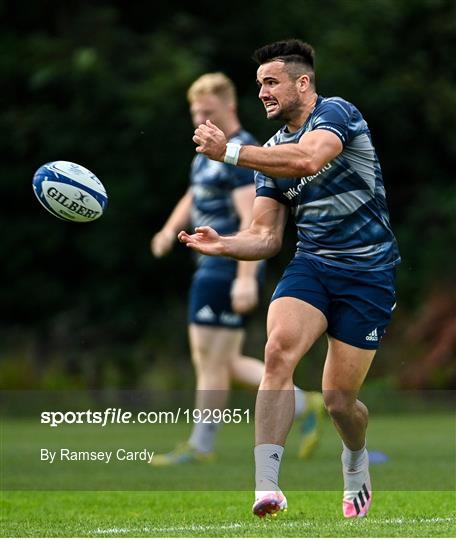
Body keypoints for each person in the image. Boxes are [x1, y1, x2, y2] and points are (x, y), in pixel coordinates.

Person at [178, 41, 400, 518]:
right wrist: (224, 243)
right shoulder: (270, 151)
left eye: (271, 81)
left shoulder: (337, 114)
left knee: (341, 402)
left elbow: (307, 161)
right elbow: (265, 236)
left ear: (303, 83)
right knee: (277, 351)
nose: (262, 92)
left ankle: (355, 459)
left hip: (369, 273)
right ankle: (266, 487)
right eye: (259, 84)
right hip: (313, 265)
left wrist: (231, 152)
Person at [151, 72, 324, 466]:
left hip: (226, 265)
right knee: (220, 361)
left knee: (210, 360)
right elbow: (195, 191)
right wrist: (167, 229)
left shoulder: (240, 152)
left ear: (229, 107)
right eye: (195, 112)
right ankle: (303, 403)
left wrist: (246, 280)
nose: (200, 118)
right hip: (209, 263)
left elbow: (254, 219)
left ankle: (201, 445)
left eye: (208, 111)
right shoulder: (208, 152)